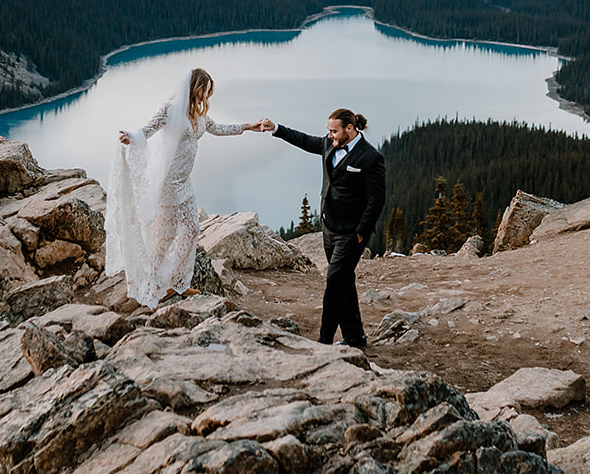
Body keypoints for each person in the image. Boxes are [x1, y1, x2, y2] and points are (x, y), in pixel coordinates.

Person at [105, 67, 267, 307]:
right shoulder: (170, 109)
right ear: (195, 87)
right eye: (205, 91)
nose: (207, 97)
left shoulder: (199, 114)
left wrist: (248, 126)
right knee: (166, 236)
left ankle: (177, 282)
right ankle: (154, 283)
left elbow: (218, 128)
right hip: (169, 183)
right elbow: (148, 129)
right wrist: (131, 136)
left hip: (185, 182)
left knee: (192, 229)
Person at [258, 108, 385, 348]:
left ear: (350, 128)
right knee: (343, 282)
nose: (330, 135)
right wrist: (276, 128)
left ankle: (324, 342)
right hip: (329, 228)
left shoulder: (370, 157)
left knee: (334, 284)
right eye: (328, 131)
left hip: (351, 233)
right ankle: (355, 337)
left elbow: (377, 199)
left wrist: (361, 231)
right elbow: (305, 140)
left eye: (334, 131)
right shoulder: (329, 143)